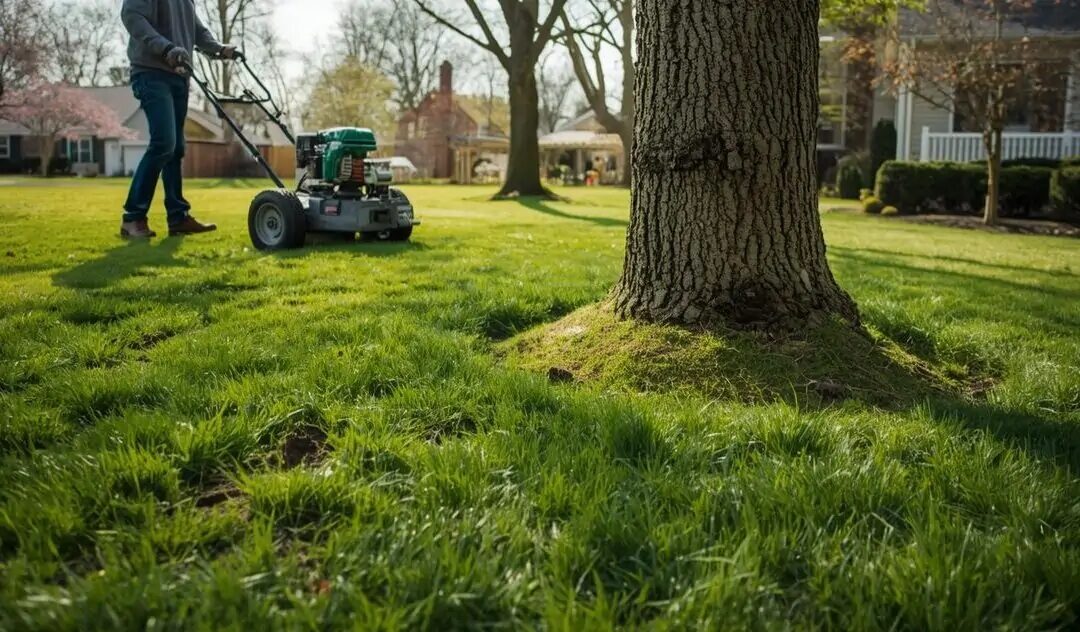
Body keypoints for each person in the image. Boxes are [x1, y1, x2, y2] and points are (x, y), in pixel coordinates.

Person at [119, 0, 238, 239]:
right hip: (151, 72)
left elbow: (197, 31)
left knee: (176, 149)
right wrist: (165, 48)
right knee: (164, 143)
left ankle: (178, 218)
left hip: (179, 77)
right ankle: (132, 218)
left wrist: (218, 48)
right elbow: (132, 16)